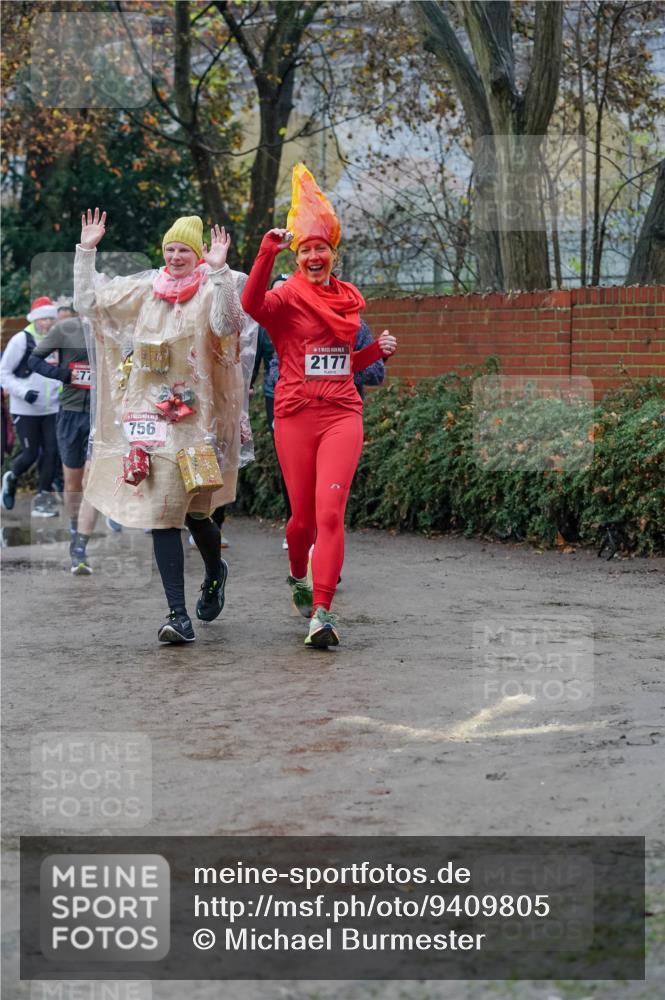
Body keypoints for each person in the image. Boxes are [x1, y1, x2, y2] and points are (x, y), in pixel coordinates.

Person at [73, 208, 256, 644]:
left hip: (196, 424)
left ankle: (214, 570)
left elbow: (229, 325)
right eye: (170, 249)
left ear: (197, 254)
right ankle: (178, 615)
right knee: (162, 513)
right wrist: (86, 251)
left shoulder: (211, 288)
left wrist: (219, 271)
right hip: (149, 422)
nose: (175, 257)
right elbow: (89, 304)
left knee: (196, 513)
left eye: (184, 250)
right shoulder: (146, 289)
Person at [241, 164, 397, 649]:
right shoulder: (285, 297)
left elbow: (342, 365)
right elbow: (250, 305)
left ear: (333, 254)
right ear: (297, 255)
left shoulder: (349, 301)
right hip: (294, 414)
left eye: (321, 248)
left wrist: (376, 353)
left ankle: (322, 613)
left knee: (330, 514)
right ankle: (297, 574)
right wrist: (266, 251)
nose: (314, 256)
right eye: (306, 249)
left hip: (342, 413)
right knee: (303, 521)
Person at [27, 303, 100, 574]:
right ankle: (73, 526)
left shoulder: (113, 328)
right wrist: (64, 375)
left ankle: (80, 546)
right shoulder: (66, 329)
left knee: (91, 482)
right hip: (70, 414)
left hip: (100, 417)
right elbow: (34, 360)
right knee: (73, 484)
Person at [0, 297, 61, 516]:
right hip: (25, 409)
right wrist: (23, 392)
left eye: (51, 319)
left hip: (52, 408)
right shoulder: (21, 340)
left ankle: (42, 500)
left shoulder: (57, 340)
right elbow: (3, 372)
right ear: (35, 319)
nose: (48, 323)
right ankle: (12, 477)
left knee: (52, 453)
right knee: (30, 454)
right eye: (44, 319)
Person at [252, 273, 292, 547]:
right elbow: (253, 357)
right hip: (274, 396)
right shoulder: (264, 325)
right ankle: (293, 521)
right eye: (276, 291)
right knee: (287, 459)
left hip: (306, 396)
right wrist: (247, 385)